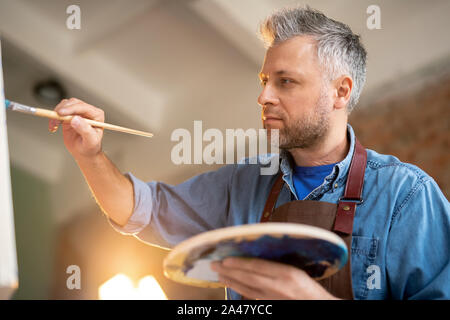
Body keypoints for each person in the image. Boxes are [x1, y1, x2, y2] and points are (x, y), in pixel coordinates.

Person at [48, 7, 450, 300]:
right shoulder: (241, 184)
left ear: (340, 92)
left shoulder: (406, 196)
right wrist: (90, 155)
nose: (263, 96)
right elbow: (143, 210)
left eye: (285, 82)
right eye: (264, 80)